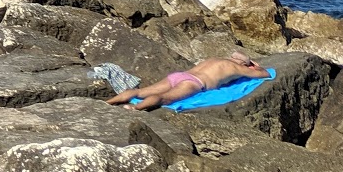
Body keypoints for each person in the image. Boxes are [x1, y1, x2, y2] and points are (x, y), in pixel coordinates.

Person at [106, 52, 271, 110]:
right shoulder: (236, 68)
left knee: (140, 91)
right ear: (244, 63)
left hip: (178, 75)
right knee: (165, 98)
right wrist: (254, 66)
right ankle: (135, 107)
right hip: (194, 83)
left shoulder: (214, 59)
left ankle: (108, 102)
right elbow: (264, 74)